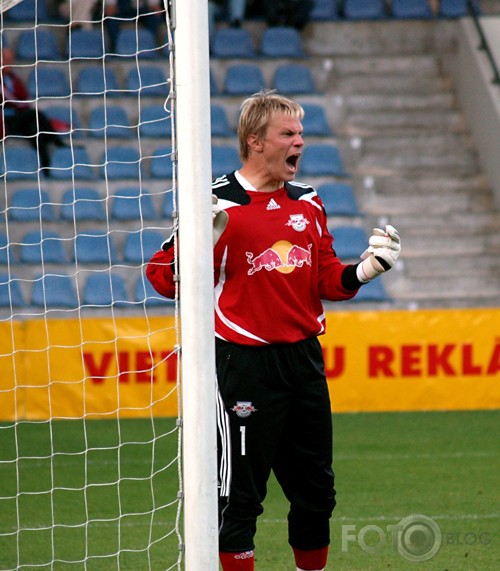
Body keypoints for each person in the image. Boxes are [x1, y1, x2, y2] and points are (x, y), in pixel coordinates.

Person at [146, 91, 401, 571]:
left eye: (301, 134)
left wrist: (366, 271)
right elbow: (161, 276)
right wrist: (201, 244)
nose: (300, 142)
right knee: (240, 499)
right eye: (289, 134)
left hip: (303, 362)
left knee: (316, 495)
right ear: (255, 141)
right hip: (243, 366)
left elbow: (325, 277)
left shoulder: (308, 202)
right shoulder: (214, 202)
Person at [0, 47, 68, 174]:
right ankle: (57, 142)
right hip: (4, 120)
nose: (10, 63)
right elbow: (12, 100)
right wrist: (22, 106)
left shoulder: (13, 78)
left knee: (35, 130)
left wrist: (22, 105)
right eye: (6, 60)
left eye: (11, 60)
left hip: (18, 117)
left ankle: (45, 166)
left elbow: (23, 96)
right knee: (36, 114)